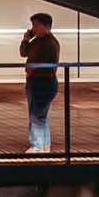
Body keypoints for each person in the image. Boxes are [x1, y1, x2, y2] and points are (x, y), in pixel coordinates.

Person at [21, 11, 62, 151]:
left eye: (36, 25)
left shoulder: (49, 43)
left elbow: (38, 62)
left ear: (46, 26)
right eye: (33, 25)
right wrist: (26, 39)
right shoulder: (38, 41)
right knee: (40, 116)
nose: (33, 28)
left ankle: (37, 146)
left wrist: (30, 70)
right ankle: (44, 145)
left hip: (42, 82)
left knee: (37, 115)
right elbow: (23, 52)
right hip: (37, 81)